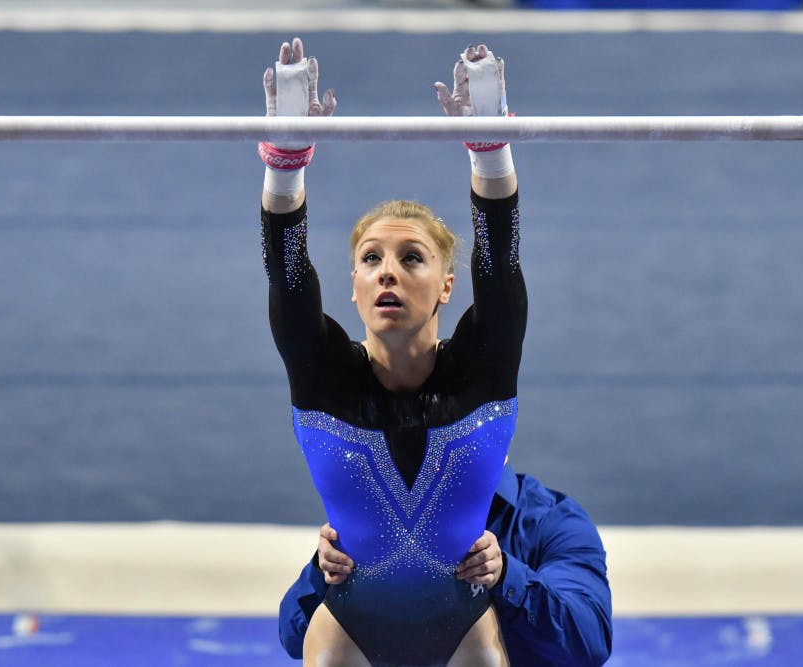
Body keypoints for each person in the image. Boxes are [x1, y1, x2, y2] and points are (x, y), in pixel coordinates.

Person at [260, 37, 526, 666]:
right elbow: (287, 274)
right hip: (351, 629)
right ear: (351, 285)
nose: (388, 273)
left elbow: (501, 260)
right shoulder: (325, 374)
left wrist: (490, 145)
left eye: (412, 259)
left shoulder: (482, 368)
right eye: (371, 260)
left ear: (446, 286)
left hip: (463, 630)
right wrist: (286, 160)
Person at [279, 464, 613, 666]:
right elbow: (292, 636)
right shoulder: (381, 523)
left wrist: (508, 577)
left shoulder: (550, 521)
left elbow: (590, 643)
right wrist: (327, 569)